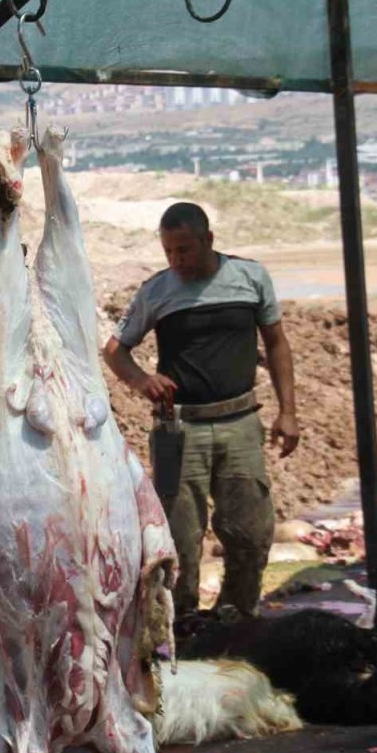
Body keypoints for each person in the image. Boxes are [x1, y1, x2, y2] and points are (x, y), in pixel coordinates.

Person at [103, 202, 299, 618]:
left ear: (208, 240)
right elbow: (115, 350)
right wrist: (141, 381)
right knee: (178, 538)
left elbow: (277, 343)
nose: (177, 260)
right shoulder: (156, 291)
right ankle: (183, 626)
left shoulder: (250, 277)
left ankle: (237, 618)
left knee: (250, 532)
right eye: (168, 251)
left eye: (185, 250)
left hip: (240, 425)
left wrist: (288, 412)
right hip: (179, 431)